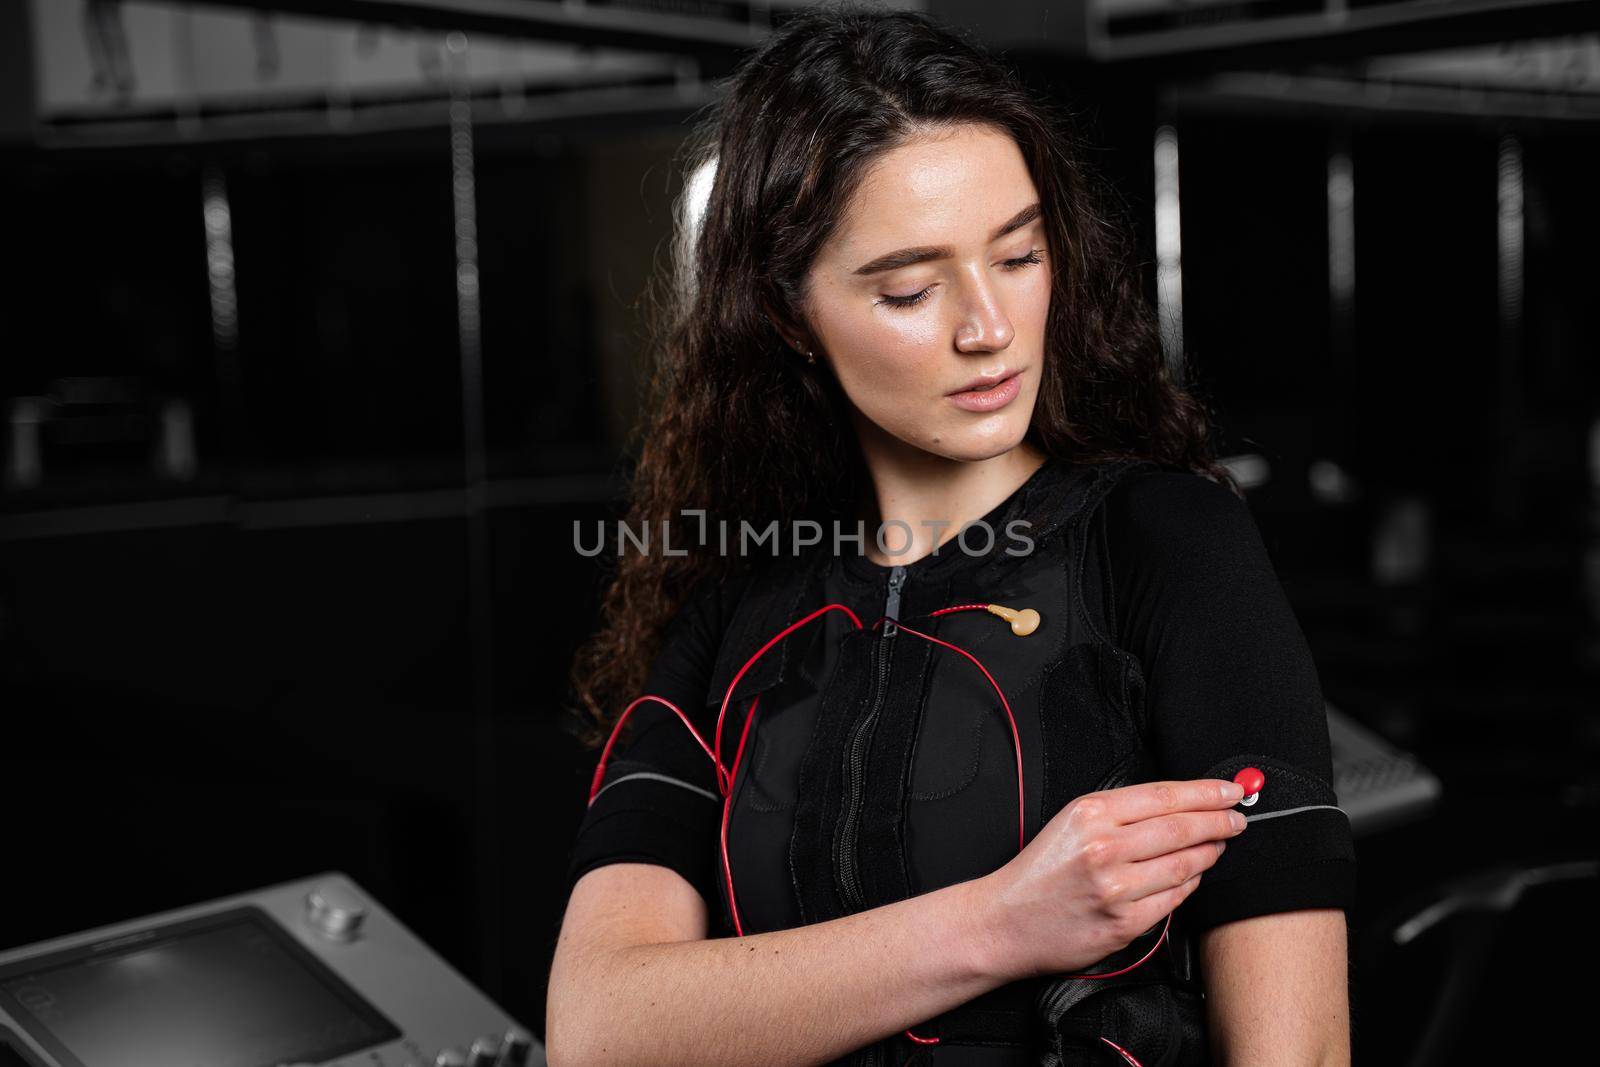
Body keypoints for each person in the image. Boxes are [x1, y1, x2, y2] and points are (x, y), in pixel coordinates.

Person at [546, 6, 1354, 1065]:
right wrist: (1002, 921)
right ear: (791, 314)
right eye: (911, 288)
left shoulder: (1168, 542)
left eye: (1017, 256)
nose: (988, 328)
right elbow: (600, 1029)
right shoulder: (735, 608)